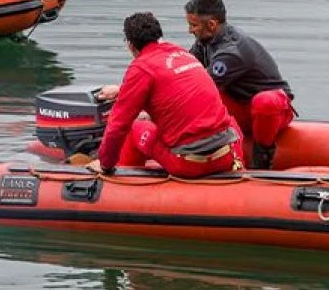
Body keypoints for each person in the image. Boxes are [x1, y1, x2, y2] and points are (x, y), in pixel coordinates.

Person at [86, 12, 242, 178]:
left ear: (130, 45)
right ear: (159, 35)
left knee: (135, 126)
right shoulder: (183, 54)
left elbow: (118, 124)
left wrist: (105, 163)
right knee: (228, 119)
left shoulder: (141, 68)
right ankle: (241, 170)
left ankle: (124, 181)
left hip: (188, 163)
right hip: (225, 156)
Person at [184, 0, 294, 170]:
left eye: (193, 25)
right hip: (242, 104)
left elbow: (200, 87)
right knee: (205, 93)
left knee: (263, 102)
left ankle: (262, 156)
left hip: (273, 111)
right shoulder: (204, 42)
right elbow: (184, 73)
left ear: (212, 24)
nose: (190, 30)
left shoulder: (232, 51)